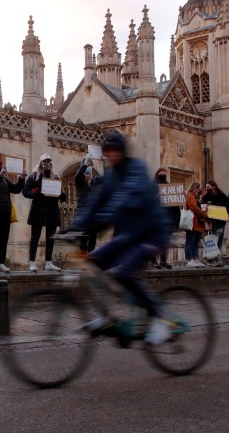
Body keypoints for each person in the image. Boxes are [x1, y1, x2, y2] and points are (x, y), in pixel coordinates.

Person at [72, 130, 172, 345]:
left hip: (151, 234)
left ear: (123, 151)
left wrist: (103, 219)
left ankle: (159, 317)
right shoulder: (110, 176)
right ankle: (110, 315)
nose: (111, 156)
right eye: (107, 151)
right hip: (128, 235)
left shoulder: (136, 169)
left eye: (115, 151)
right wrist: (74, 227)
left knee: (124, 273)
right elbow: (96, 204)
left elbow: (127, 197)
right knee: (92, 264)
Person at [23, 153, 67, 272]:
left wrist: (62, 195)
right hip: (38, 210)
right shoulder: (34, 177)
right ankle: (32, 262)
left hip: (51, 211)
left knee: (50, 238)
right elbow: (25, 192)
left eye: (49, 162)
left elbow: (62, 196)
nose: (47, 164)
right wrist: (36, 193)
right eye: (45, 162)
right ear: (40, 163)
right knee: (35, 237)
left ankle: (49, 263)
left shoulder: (56, 177)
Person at [74, 155, 103, 252]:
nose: (90, 168)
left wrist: (105, 163)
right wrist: (85, 163)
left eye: (91, 165)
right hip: (83, 213)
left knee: (92, 239)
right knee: (84, 239)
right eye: (88, 165)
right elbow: (78, 175)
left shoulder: (95, 182)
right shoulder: (80, 181)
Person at [152, 167, 177, 268]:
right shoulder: (152, 185)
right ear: (157, 174)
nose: (163, 175)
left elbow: (174, 202)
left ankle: (163, 261)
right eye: (162, 173)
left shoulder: (168, 186)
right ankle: (153, 261)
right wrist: (157, 195)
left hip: (165, 218)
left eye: (165, 174)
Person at [200, 179, 228, 266]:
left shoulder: (222, 196)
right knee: (213, 241)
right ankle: (214, 259)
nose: (207, 188)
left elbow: (227, 207)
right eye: (206, 187)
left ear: (214, 187)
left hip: (221, 222)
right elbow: (203, 208)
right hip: (211, 222)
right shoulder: (205, 197)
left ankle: (218, 259)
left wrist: (228, 215)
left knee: (219, 240)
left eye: (208, 187)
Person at [183, 182, 209, 267]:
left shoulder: (196, 197)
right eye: (199, 188)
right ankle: (190, 259)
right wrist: (204, 214)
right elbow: (193, 207)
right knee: (190, 241)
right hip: (192, 223)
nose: (200, 190)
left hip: (198, 223)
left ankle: (195, 259)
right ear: (195, 188)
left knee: (195, 242)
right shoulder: (190, 196)